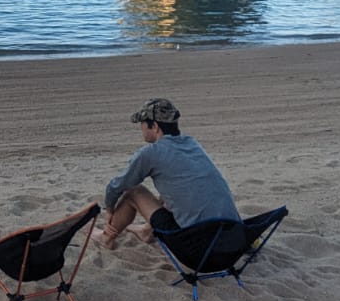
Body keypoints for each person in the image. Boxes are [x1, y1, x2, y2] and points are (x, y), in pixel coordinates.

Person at [91, 97, 240, 249]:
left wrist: (109, 210)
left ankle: (106, 238)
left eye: (142, 123)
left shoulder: (151, 153)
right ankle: (146, 232)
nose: (141, 128)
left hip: (198, 250)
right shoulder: (192, 143)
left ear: (154, 126)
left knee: (133, 192)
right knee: (174, 187)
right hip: (233, 242)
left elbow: (117, 186)